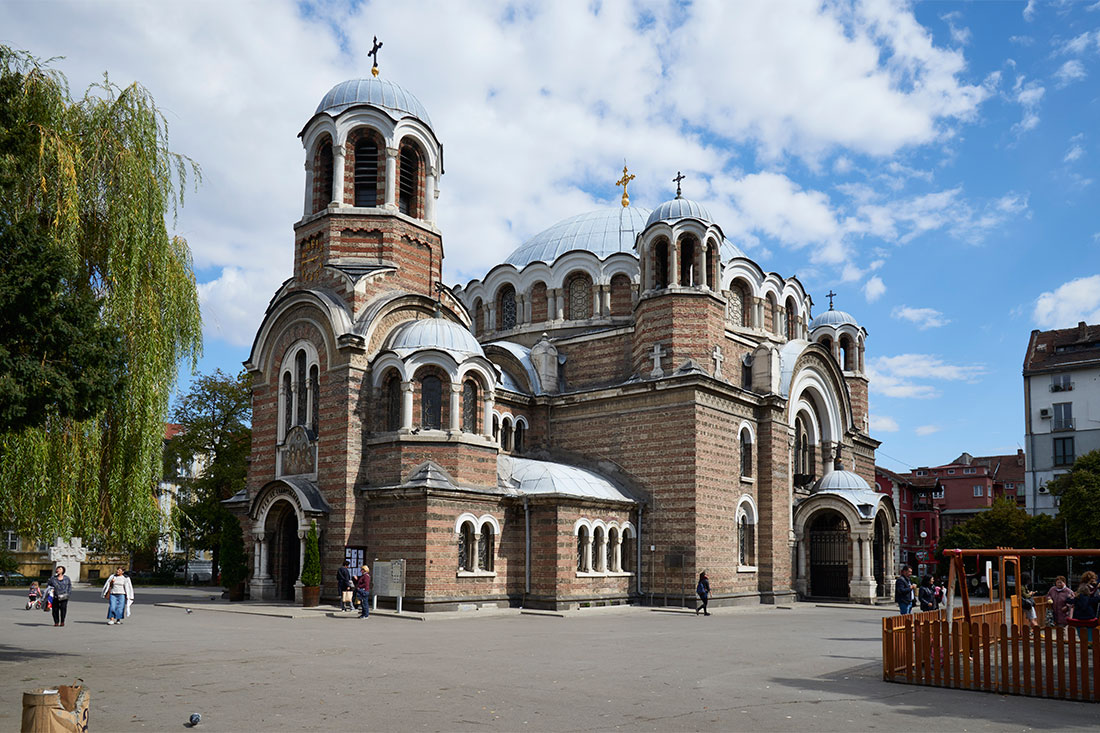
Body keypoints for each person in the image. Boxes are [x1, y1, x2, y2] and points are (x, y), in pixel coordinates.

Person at [1069, 571, 1099, 643]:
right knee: (1088, 629)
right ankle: (1089, 642)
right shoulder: (1085, 588)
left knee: (1082, 629)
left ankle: (1086, 642)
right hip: (1088, 613)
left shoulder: (1086, 587)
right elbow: (1088, 598)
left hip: (1082, 613)